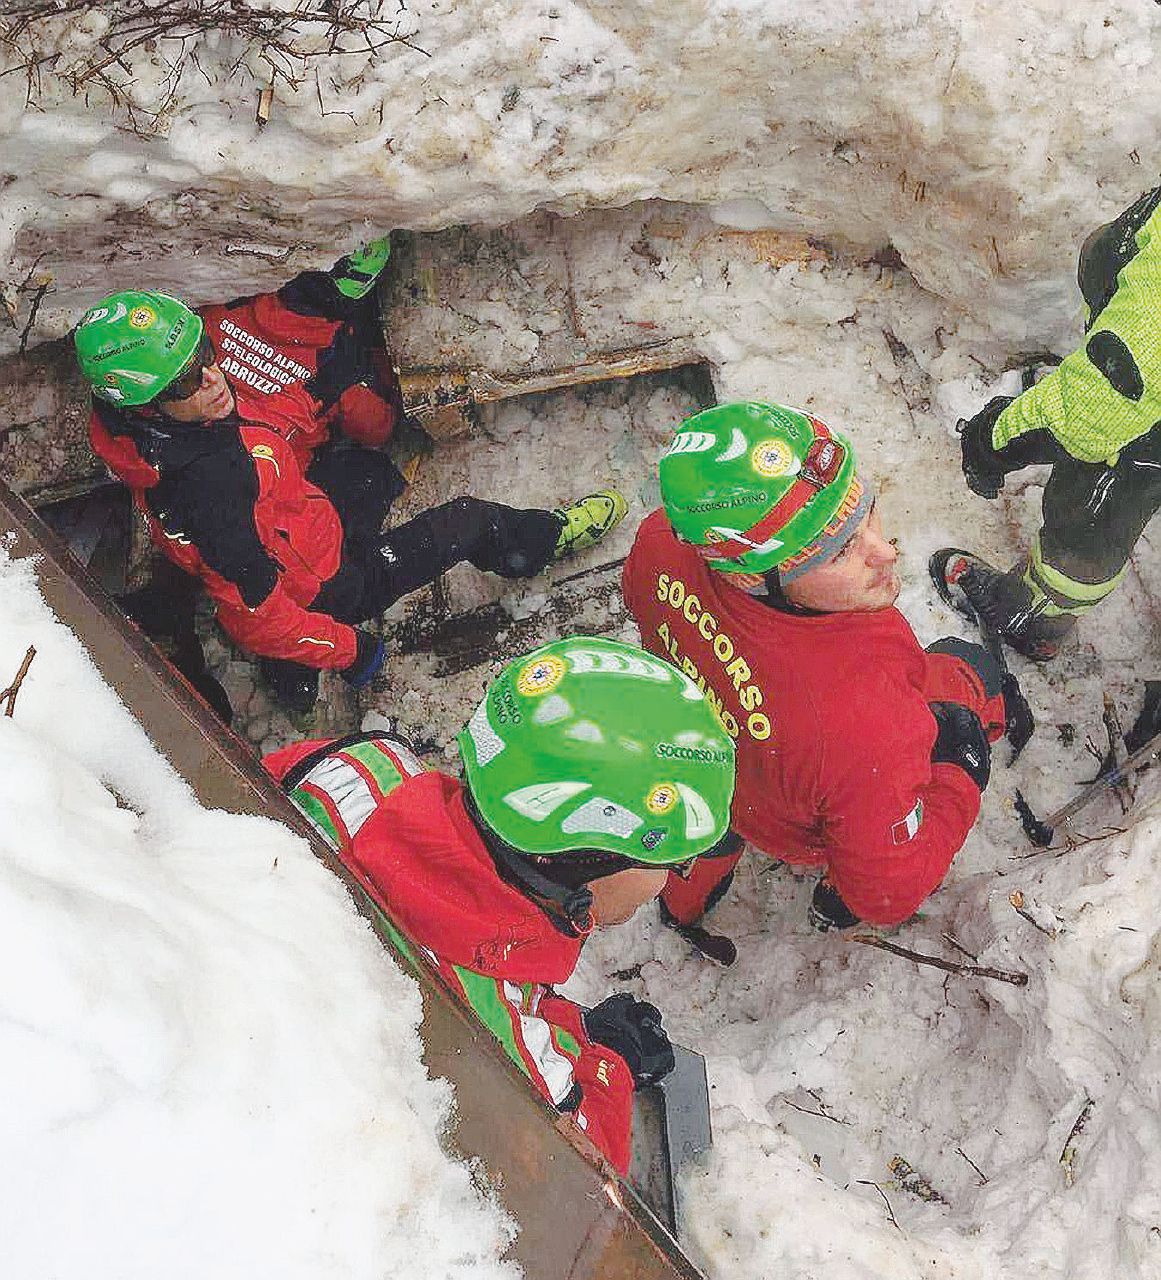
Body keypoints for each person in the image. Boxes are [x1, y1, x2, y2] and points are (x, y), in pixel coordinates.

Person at [73, 240, 626, 711]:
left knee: (366, 477)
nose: (212, 380)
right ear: (144, 403)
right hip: (321, 581)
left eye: (204, 355)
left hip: (283, 523)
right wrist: (351, 649)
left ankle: (290, 677)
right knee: (465, 519)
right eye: (185, 383)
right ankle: (541, 542)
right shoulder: (222, 486)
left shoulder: (136, 437)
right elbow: (253, 614)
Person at [264, 635, 737, 1174]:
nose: (677, 876)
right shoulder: (504, 1052)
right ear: (586, 862)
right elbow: (590, 1168)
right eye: (673, 862)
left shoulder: (359, 763)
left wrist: (565, 1021)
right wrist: (607, 1060)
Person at [622, 401, 1030, 960]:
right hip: (802, 813)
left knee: (717, 827)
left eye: (868, 514)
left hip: (710, 768)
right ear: (749, 578)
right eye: (838, 551)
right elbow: (889, 892)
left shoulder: (662, 542)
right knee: (968, 670)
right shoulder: (862, 723)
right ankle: (835, 896)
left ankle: (683, 898)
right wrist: (960, 772)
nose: (885, 553)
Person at [932, 184, 1161, 661]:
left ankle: (1036, 615)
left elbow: (1094, 409)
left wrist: (991, 440)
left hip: (1139, 413)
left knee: (1092, 516)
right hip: (1135, 373)